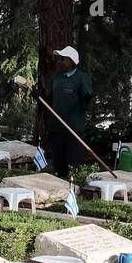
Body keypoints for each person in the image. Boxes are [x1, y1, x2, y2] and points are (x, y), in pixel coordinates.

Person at [45, 45, 93, 177]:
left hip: (73, 130)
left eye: (63, 59)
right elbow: (50, 100)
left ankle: (75, 190)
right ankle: (59, 191)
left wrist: (86, 99)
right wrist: (38, 95)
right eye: (59, 59)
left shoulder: (81, 78)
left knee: (73, 165)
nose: (59, 62)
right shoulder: (56, 78)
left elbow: (87, 102)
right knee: (59, 166)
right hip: (56, 128)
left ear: (71, 61)